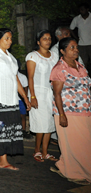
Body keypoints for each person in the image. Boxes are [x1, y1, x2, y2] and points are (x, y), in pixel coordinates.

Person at [0, 28, 31, 171]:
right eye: (6, 38)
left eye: (10, 38)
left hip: (11, 99)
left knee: (7, 130)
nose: (9, 41)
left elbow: (15, 78)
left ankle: (4, 160)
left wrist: (24, 98)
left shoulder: (11, 57)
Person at [49, 37, 91, 185]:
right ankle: (75, 173)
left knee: (84, 143)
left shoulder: (80, 66)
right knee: (76, 144)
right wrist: (61, 115)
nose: (76, 50)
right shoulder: (59, 69)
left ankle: (63, 166)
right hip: (68, 112)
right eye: (72, 48)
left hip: (84, 111)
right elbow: (57, 94)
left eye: (76, 47)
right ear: (62, 51)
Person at [26, 30, 59, 162]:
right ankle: (37, 150)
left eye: (49, 38)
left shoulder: (55, 55)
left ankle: (45, 152)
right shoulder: (33, 56)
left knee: (49, 124)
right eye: (44, 39)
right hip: (38, 92)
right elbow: (30, 77)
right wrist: (32, 96)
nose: (48, 41)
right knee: (41, 123)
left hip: (50, 92)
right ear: (38, 42)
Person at [70, 3, 91, 72]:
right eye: (80, 10)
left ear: (87, 9)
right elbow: (71, 28)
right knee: (83, 63)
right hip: (81, 45)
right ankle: (84, 78)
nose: (81, 11)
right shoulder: (77, 19)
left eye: (82, 9)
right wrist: (76, 38)